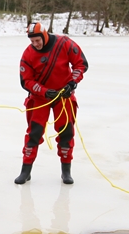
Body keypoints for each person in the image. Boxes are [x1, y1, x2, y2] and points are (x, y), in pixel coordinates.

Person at [15, 22, 88, 185]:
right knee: (33, 134)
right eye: (32, 41)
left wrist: (72, 83)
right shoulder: (28, 54)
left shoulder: (64, 43)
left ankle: (66, 171)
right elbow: (26, 80)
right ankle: (25, 171)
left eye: (37, 41)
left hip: (64, 96)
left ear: (44, 35)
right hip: (40, 98)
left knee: (66, 133)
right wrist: (43, 91)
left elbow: (81, 63)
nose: (35, 44)